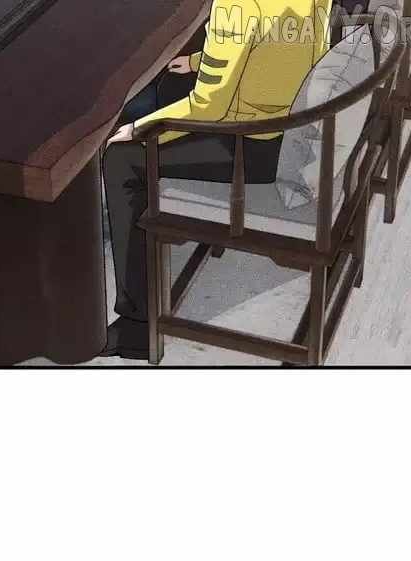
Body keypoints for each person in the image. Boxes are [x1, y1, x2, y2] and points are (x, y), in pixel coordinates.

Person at [102, 0, 333, 359]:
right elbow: (279, 44)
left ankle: (137, 325)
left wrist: (137, 129)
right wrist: (198, 62)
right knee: (173, 84)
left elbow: (209, 105)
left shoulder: (236, 5)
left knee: (121, 159)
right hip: (290, 130)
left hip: (251, 148)